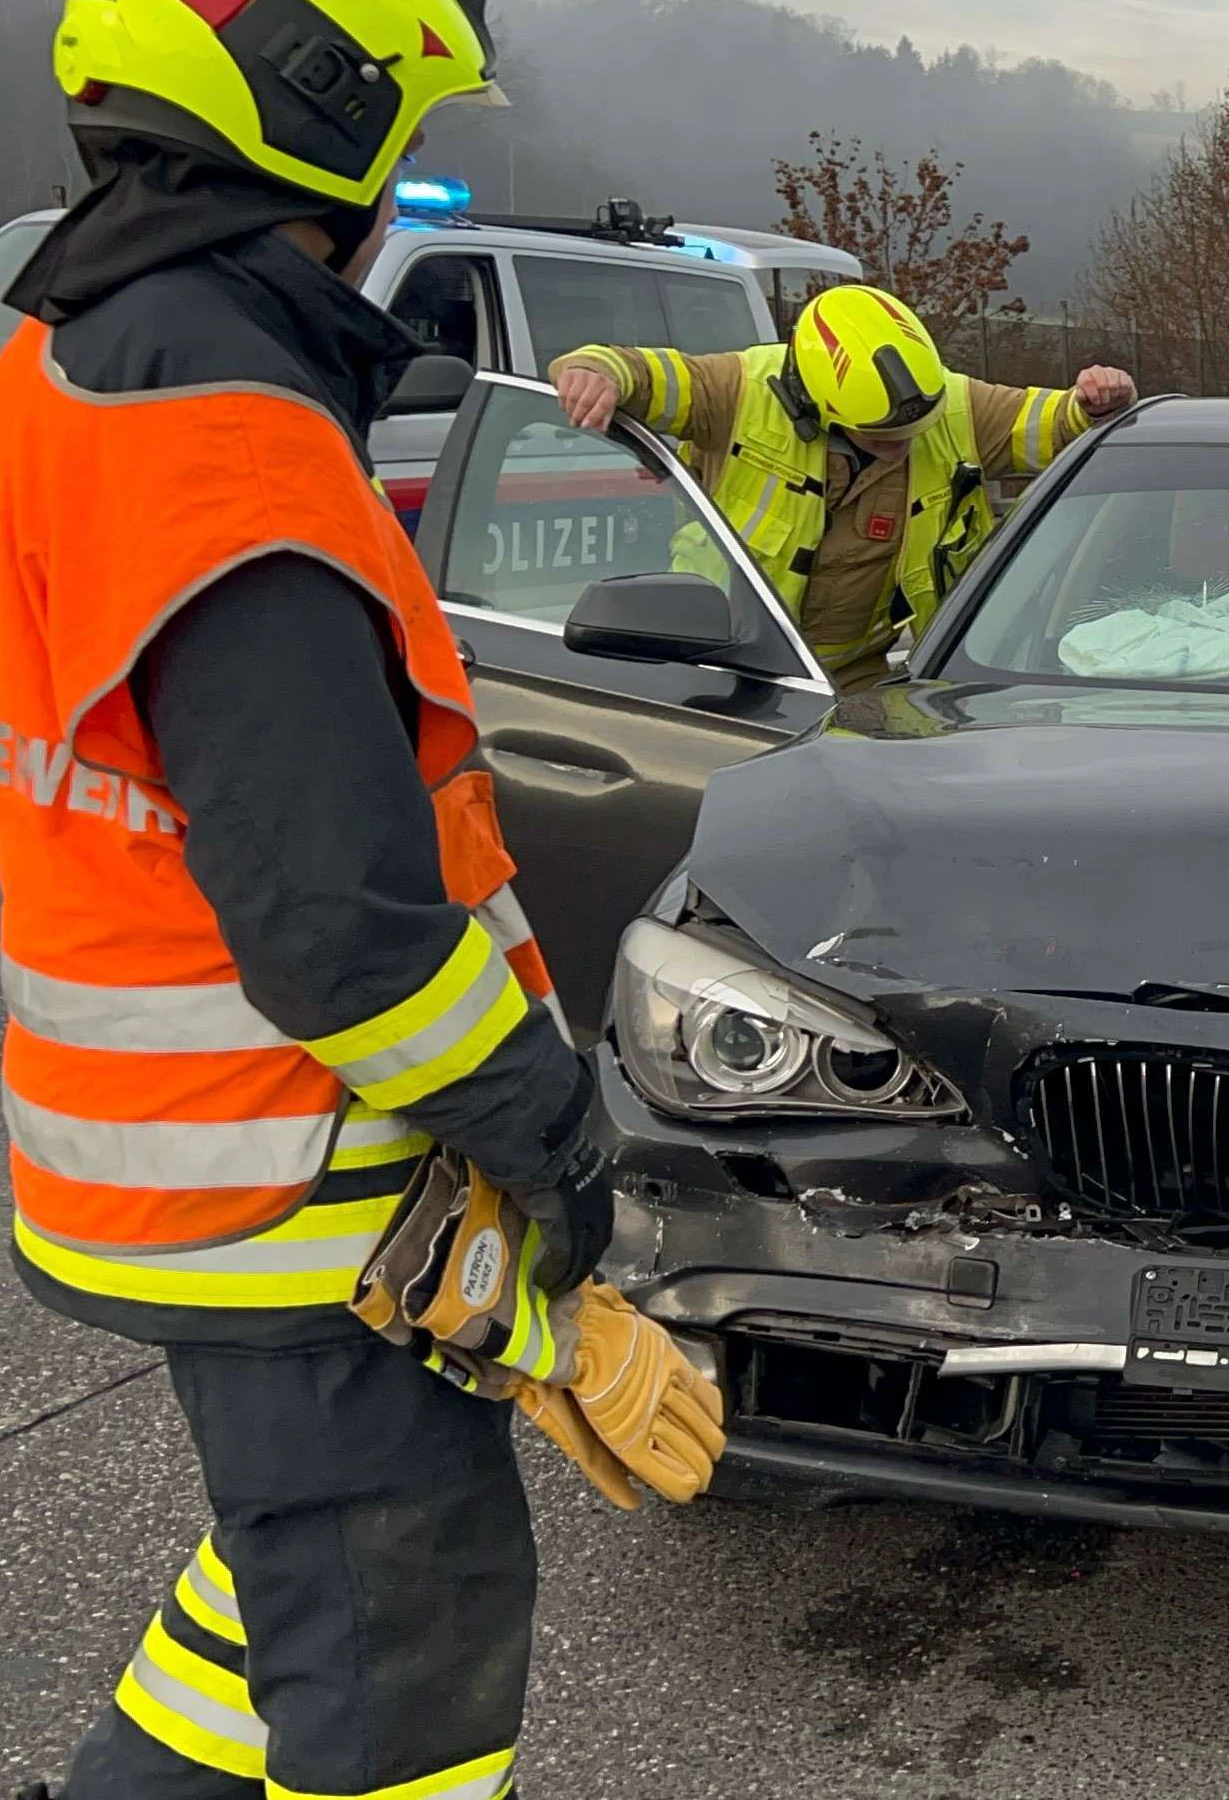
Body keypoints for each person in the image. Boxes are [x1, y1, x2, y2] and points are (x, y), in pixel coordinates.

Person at [0, 1, 626, 1794]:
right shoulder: (221, 431)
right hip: (288, 1183)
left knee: (284, 1595)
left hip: (166, 1157)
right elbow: (335, 919)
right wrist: (542, 1129)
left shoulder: (77, 352)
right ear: (328, 110)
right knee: (401, 1672)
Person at [551, 283, 1135, 690]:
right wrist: (591, 374)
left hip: (858, 682)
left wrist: (1096, 400)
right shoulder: (737, 390)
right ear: (819, 405)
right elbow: (626, 368)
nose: (904, 444)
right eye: (882, 436)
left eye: (917, 429)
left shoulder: (950, 405)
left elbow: (1060, 428)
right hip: (722, 663)